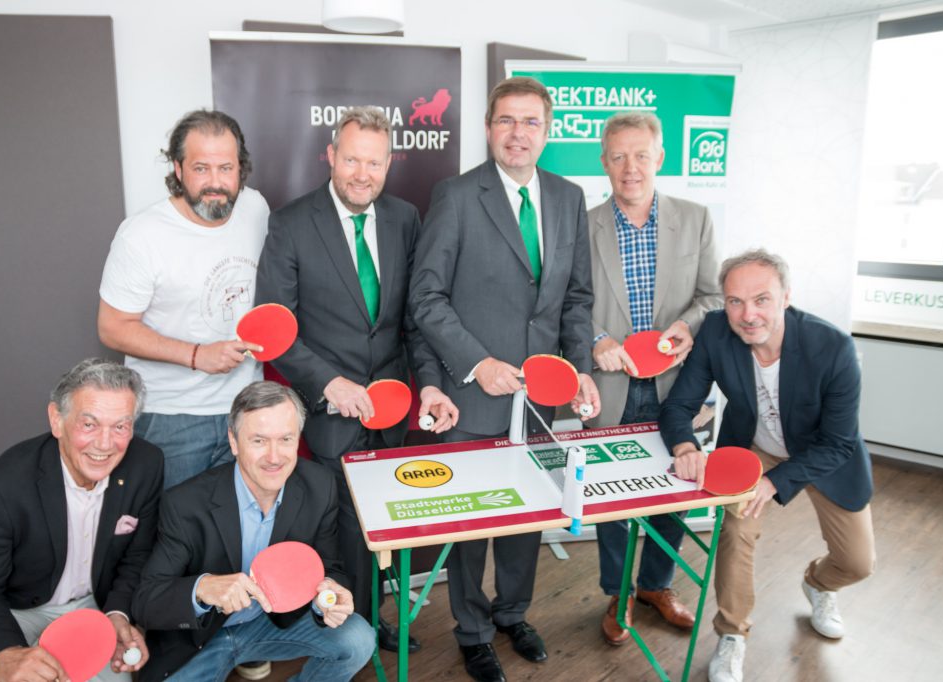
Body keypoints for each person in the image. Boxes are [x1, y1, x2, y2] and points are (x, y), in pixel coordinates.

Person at [409, 76, 600, 682]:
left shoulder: (570, 198)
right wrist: (476, 363)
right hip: (473, 394)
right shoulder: (457, 195)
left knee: (527, 517)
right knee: (473, 522)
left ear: (548, 131)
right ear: (489, 127)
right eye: (506, 121)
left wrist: (580, 371)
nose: (518, 134)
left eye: (531, 122)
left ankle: (513, 613)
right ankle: (470, 630)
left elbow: (576, 299)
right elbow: (427, 297)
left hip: (543, 399)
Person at [255, 106, 458, 652]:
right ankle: (346, 630)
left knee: (382, 527)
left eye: (373, 162)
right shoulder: (291, 223)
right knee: (342, 529)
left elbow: (414, 317)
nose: (361, 173)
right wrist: (329, 384)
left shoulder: (404, 218)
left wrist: (430, 382)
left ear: (389, 163)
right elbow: (276, 329)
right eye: (351, 160)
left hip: (392, 410)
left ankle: (370, 620)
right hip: (329, 415)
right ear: (330, 157)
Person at [658, 249, 876, 682]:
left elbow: (837, 441)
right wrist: (685, 446)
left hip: (822, 454)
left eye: (761, 299)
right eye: (734, 301)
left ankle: (818, 585)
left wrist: (776, 482)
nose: (747, 313)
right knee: (737, 531)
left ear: (785, 298)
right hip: (752, 449)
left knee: (857, 563)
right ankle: (732, 634)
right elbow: (679, 406)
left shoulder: (832, 347)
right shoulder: (716, 332)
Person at [585, 112, 722, 645]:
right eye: (618, 156)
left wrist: (689, 327)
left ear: (660, 158)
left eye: (641, 154)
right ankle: (617, 595)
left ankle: (656, 586)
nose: (630, 167)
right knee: (610, 500)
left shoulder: (696, 218)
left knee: (675, 489)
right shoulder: (584, 223)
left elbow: (712, 295)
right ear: (604, 163)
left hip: (677, 386)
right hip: (612, 382)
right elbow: (570, 304)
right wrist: (597, 339)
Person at [132, 381, 374, 682]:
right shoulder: (184, 503)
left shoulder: (319, 485)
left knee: (358, 639)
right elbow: (146, 600)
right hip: (202, 638)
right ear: (234, 442)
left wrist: (330, 595)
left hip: (273, 624)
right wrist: (203, 589)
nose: (274, 457)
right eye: (258, 441)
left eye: (285, 439)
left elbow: (329, 567)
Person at [0, 359, 163, 681]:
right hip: (16, 610)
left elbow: (136, 557)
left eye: (121, 426)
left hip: (95, 605)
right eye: (89, 424)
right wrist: (4, 655)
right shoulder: (5, 484)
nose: (105, 444)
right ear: (57, 420)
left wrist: (118, 613)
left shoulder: (146, 464)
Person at [98, 109, 270, 490]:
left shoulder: (255, 209)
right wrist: (197, 355)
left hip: (246, 410)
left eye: (226, 168)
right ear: (177, 169)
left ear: (241, 168)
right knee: (177, 538)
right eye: (200, 168)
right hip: (171, 418)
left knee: (236, 535)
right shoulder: (141, 236)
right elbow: (112, 328)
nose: (215, 182)